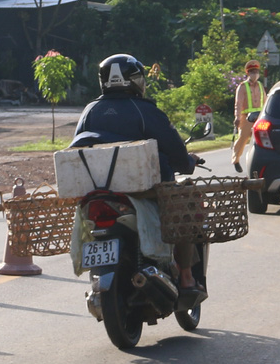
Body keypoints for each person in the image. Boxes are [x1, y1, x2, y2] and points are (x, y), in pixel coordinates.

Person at [70, 53, 205, 300]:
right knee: (186, 202)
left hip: (96, 193)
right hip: (145, 190)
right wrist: (187, 163)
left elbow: (76, 151)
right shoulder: (145, 110)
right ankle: (186, 276)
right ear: (136, 81)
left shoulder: (89, 111)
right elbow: (175, 152)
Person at [229, 58, 267, 172]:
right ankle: (235, 160)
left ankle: (260, 162)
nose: (255, 74)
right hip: (246, 118)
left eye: (256, 72)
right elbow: (238, 103)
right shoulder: (242, 86)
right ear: (248, 73)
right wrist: (237, 117)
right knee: (242, 139)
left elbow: (265, 101)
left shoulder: (260, 85)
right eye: (252, 72)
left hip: (259, 118)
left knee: (262, 139)